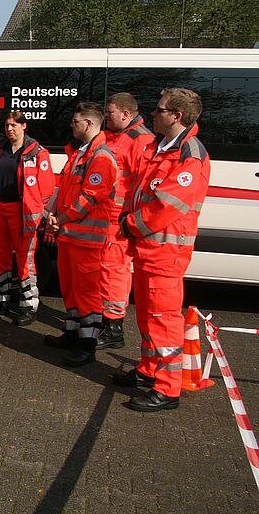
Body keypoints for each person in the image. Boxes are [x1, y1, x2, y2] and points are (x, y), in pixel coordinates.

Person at [115, 88, 209, 412]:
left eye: (159, 109)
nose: (152, 114)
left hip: (165, 255)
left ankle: (167, 389)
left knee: (164, 321)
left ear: (177, 116)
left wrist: (132, 224)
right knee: (146, 317)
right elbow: (141, 191)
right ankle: (149, 371)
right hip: (149, 251)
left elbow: (167, 205)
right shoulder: (161, 147)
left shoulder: (189, 155)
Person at [43, 103, 119, 366]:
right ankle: (73, 333)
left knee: (87, 293)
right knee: (71, 289)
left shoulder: (101, 157)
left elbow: (89, 199)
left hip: (87, 239)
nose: (71, 125)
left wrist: (60, 219)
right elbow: (64, 191)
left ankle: (88, 345)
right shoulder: (80, 154)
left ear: (88, 124)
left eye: (75, 121)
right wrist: (53, 216)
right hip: (69, 235)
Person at [0, 111, 55, 325]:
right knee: (1, 256)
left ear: (25, 126)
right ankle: (0, 301)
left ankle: (29, 305)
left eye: (14, 125)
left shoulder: (37, 152)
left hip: (21, 212)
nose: (10, 129)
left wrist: (36, 211)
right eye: (7, 125)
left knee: (25, 260)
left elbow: (46, 187)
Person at [96, 93, 154, 350]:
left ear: (125, 114)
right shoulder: (119, 137)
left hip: (118, 221)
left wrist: (129, 220)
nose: (105, 117)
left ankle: (113, 328)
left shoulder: (141, 141)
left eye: (109, 112)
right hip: (106, 218)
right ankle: (105, 321)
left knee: (114, 272)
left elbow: (144, 187)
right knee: (105, 272)